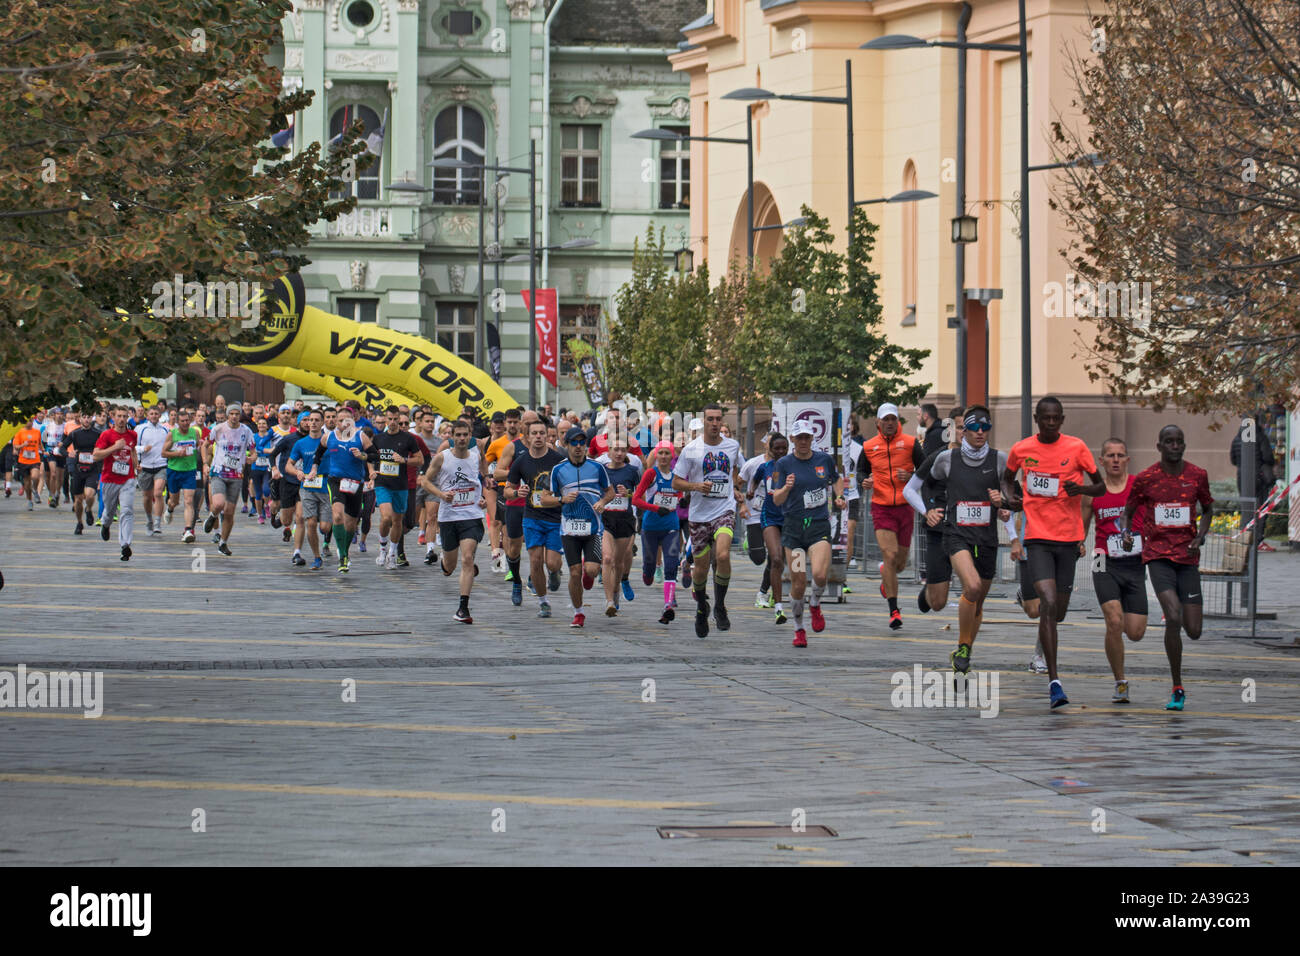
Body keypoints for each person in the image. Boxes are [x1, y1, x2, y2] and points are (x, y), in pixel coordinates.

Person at [1002, 396, 1104, 709]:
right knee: (1046, 602)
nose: (1050, 423)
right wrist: (1015, 497)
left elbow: (1100, 487)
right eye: (1045, 418)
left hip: (1068, 539)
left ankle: (1034, 607)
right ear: (1036, 418)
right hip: (1038, 537)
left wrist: (1082, 490)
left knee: (1057, 611)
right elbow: (1006, 479)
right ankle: (1055, 682)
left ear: (1062, 419)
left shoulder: (1077, 448)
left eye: (1055, 418)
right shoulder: (1022, 449)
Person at [905, 406, 1011, 674]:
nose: (975, 432)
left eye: (981, 427)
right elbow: (915, 487)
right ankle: (930, 594)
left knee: (976, 596)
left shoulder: (997, 460)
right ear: (954, 428)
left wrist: (1011, 527)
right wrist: (927, 510)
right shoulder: (943, 458)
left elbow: (1012, 499)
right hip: (946, 531)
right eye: (966, 427)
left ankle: (964, 652)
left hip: (983, 536)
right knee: (945, 599)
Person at [1119, 425, 1213, 712]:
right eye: (1169, 442)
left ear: (1184, 445)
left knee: (1194, 630)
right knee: (1172, 615)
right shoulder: (1146, 478)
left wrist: (1201, 535)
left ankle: (1181, 622)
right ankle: (1177, 685)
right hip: (1158, 556)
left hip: (1187, 557)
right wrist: (1125, 533)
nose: (1175, 446)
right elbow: (1128, 511)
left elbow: (1208, 508)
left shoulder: (1197, 475)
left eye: (1179, 442)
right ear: (1158, 446)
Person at [1081, 438, 1148, 703]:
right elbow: (1081, 528)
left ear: (1128, 460)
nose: (1116, 460)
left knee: (1135, 632)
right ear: (1102, 461)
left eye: (1121, 455)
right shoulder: (1094, 492)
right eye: (1110, 455)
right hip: (1103, 561)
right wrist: (1076, 546)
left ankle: (1117, 640)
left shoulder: (1138, 488)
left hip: (1134, 563)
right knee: (1114, 620)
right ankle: (1120, 681)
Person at [672, 404, 747, 639]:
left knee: (723, 555)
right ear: (703, 422)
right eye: (710, 419)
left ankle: (720, 606)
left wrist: (735, 488)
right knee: (702, 569)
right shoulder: (692, 450)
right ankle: (701, 608)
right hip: (698, 515)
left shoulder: (732, 446)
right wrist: (695, 486)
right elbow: (676, 482)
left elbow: (736, 470)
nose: (714, 423)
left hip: (723, 510)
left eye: (718, 419)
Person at [770, 420, 844, 647]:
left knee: (820, 575)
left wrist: (839, 496)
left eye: (807, 437)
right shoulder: (783, 464)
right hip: (794, 530)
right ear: (792, 439)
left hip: (818, 526)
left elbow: (837, 479)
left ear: (813, 439)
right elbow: (777, 498)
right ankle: (799, 628)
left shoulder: (824, 460)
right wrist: (786, 488)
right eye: (799, 437)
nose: (803, 441)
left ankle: (815, 603)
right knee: (799, 582)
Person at [860, 403, 925, 630]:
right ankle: (894, 611)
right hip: (882, 506)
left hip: (905, 507)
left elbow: (926, 469)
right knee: (889, 553)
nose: (889, 423)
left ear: (898, 422)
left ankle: (885, 575)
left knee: (899, 564)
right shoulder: (869, 446)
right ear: (878, 422)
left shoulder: (910, 443)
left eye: (893, 419)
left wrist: (912, 475)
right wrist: (864, 480)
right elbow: (860, 470)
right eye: (885, 419)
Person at [547, 426, 615, 628]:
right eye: (574, 443)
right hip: (569, 529)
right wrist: (562, 499)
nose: (578, 447)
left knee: (592, 570)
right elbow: (545, 498)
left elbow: (610, 492)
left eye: (582, 443)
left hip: (593, 529)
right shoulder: (558, 470)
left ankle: (590, 570)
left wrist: (603, 502)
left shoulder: (597, 467)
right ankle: (578, 612)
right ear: (567, 445)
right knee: (574, 572)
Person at [422, 419, 488, 622]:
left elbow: (484, 476)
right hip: (449, 517)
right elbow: (424, 481)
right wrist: (441, 495)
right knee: (449, 568)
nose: (461, 438)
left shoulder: (477, 455)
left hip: (472, 515)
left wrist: (483, 495)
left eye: (465, 435)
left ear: (470, 436)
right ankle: (445, 562)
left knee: (467, 558)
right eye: (457, 435)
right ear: (452, 437)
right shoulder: (442, 458)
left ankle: (463, 608)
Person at [505, 419, 566, 617]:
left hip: (555, 517)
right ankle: (543, 602)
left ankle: (555, 573)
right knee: (535, 560)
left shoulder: (557, 460)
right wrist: (517, 493)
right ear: (527, 437)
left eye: (542, 433)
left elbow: (568, 485)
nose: (538, 436)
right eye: (535, 433)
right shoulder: (521, 461)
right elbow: (507, 489)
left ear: (547, 436)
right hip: (532, 517)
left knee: (552, 562)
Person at [908, 409, 962, 615]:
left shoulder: (983, 458)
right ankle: (930, 588)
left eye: (972, 427)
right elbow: (910, 489)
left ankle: (966, 641)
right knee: (937, 603)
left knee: (974, 586)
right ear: (950, 428)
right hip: (939, 529)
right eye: (960, 427)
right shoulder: (939, 456)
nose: (966, 432)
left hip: (967, 531)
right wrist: (927, 511)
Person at [309, 406, 373, 573]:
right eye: (340, 421)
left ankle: (345, 551)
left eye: (347, 421)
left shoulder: (360, 435)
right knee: (337, 516)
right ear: (335, 422)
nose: (343, 424)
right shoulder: (329, 436)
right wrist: (314, 468)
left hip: (355, 483)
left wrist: (362, 456)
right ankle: (342, 555)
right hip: (335, 481)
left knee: (351, 523)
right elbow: (318, 453)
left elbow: (374, 455)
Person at [633, 440, 682, 625]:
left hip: (671, 527)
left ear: (672, 456)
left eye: (666, 453)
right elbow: (636, 500)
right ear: (656, 455)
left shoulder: (678, 476)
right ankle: (647, 573)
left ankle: (668, 605)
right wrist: (655, 508)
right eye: (660, 453)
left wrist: (683, 501)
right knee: (649, 571)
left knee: (671, 565)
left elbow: (680, 496)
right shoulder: (651, 474)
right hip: (651, 528)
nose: (663, 457)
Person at [370, 405, 423, 571]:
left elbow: (420, 459)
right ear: (385, 419)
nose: (392, 423)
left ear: (399, 420)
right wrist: (371, 471)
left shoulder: (408, 439)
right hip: (382, 483)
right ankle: (382, 549)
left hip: (400, 485)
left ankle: (392, 553)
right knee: (386, 518)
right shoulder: (378, 439)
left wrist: (405, 460)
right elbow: (370, 458)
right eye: (390, 419)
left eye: (395, 420)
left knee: (398, 521)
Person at [494, 410, 539, 603]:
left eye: (534, 423)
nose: (531, 428)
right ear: (521, 425)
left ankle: (533, 577)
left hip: (539, 505)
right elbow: (497, 474)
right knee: (513, 547)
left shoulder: (546, 448)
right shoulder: (513, 447)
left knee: (538, 546)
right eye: (527, 424)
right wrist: (518, 472)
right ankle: (516, 581)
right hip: (515, 502)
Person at [598, 441, 641, 616]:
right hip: (606, 520)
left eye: (623, 450)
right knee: (607, 559)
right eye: (616, 449)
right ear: (608, 451)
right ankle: (609, 601)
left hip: (624, 520)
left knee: (618, 562)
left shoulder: (632, 471)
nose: (619, 453)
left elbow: (640, 496)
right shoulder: (601, 470)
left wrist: (628, 494)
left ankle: (615, 592)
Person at [92, 406, 140, 561]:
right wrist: (114, 447)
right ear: (113, 417)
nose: (121, 419)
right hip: (109, 479)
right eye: (119, 416)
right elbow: (96, 455)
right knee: (110, 510)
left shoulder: (132, 435)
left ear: (128, 418)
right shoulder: (107, 435)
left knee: (127, 510)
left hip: (128, 478)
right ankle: (105, 525)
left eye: (125, 416)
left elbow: (132, 450)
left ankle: (125, 545)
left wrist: (136, 464)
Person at [753, 433, 790, 624]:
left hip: (790, 519)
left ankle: (768, 593)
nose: (781, 452)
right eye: (777, 448)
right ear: (770, 449)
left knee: (784, 562)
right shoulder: (765, 467)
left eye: (784, 448)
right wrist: (750, 491)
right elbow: (754, 480)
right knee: (775, 558)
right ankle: (778, 607)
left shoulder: (794, 467)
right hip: (770, 518)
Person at [288, 411, 330, 569]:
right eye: (310, 420)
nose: (312, 423)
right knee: (310, 523)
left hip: (326, 486)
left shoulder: (328, 440)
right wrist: (297, 472)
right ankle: (317, 557)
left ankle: (326, 535)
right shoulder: (301, 443)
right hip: (307, 487)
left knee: (325, 527)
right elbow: (288, 465)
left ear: (322, 422)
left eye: (316, 420)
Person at [739, 437, 773, 608]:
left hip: (775, 516)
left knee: (776, 557)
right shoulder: (753, 464)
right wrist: (742, 504)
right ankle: (749, 540)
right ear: (765, 444)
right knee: (759, 558)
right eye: (771, 443)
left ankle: (763, 592)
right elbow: (737, 484)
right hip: (754, 515)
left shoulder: (786, 464)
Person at [62, 410, 103, 534]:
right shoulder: (75, 434)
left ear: (92, 419)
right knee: (78, 500)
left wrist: (99, 454)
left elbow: (104, 447)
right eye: (84, 417)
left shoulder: (98, 433)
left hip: (93, 468)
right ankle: (79, 522)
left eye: (88, 417)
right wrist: (69, 453)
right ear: (80, 419)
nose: (86, 419)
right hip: (78, 468)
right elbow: (62, 447)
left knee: (90, 495)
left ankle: (89, 509)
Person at [134, 404, 169, 536]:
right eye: (151, 414)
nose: (154, 416)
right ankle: (149, 519)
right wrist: (142, 450)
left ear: (160, 415)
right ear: (147, 415)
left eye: (156, 414)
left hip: (161, 465)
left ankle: (157, 522)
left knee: (158, 493)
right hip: (145, 466)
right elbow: (133, 447)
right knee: (147, 496)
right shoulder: (140, 429)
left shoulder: (165, 430)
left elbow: (169, 447)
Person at [12, 419, 43, 511]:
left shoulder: (37, 432)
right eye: (27, 421)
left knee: (35, 476)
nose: (29, 423)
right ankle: (29, 501)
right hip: (23, 460)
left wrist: (44, 450)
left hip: (35, 459)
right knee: (27, 483)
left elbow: (39, 444)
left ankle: (35, 491)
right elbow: (15, 446)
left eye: (31, 421)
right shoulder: (19, 432)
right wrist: (22, 445)